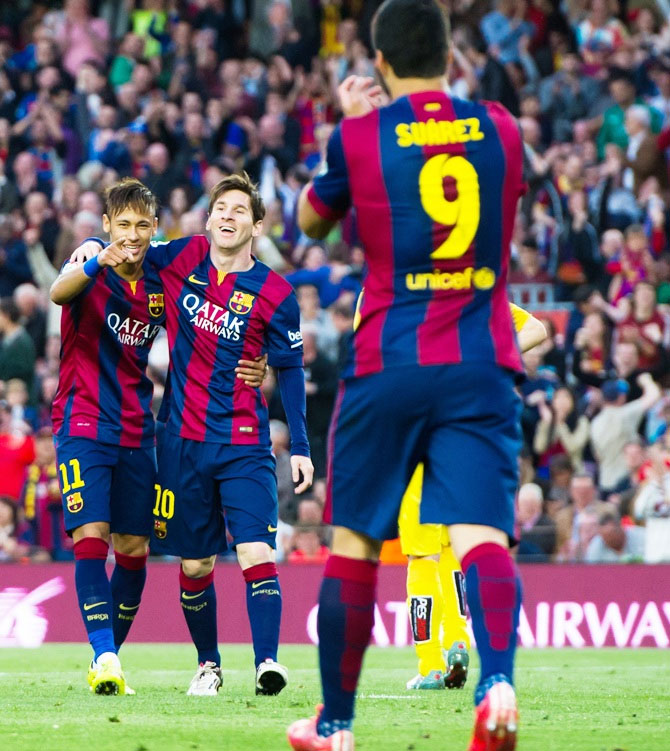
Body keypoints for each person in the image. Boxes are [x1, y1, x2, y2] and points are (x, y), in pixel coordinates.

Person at [288, 1, 526, 748]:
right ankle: (495, 687)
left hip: (388, 358)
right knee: (482, 535)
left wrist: (352, 123)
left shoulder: (360, 134)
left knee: (355, 542)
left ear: (381, 62)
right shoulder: (500, 128)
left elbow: (311, 222)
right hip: (480, 360)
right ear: (452, 55)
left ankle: (335, 724)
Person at [77, 173, 314, 697]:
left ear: (256, 224)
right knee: (196, 561)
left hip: (244, 442)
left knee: (255, 551)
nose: (228, 217)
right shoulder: (179, 259)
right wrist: (94, 245)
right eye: (220, 209)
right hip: (179, 441)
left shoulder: (275, 293)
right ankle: (208, 664)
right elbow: (130, 243)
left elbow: (292, 368)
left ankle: (267, 663)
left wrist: (299, 446)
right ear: (208, 220)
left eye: (239, 210)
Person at [50, 178, 165, 695]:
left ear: (155, 227)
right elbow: (58, 291)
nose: (133, 235)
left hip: (138, 427)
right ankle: (105, 655)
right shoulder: (91, 257)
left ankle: (107, 658)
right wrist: (98, 258)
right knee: (91, 536)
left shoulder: (163, 279)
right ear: (107, 225)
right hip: (83, 421)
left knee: (135, 549)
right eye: (124, 225)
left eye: (142, 225)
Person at [401, 304, 547, 691]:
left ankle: (431, 663)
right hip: (467, 434)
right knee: (455, 547)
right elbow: (537, 328)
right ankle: (459, 644)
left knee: (421, 555)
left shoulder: (391, 284)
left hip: (416, 428)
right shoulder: (476, 284)